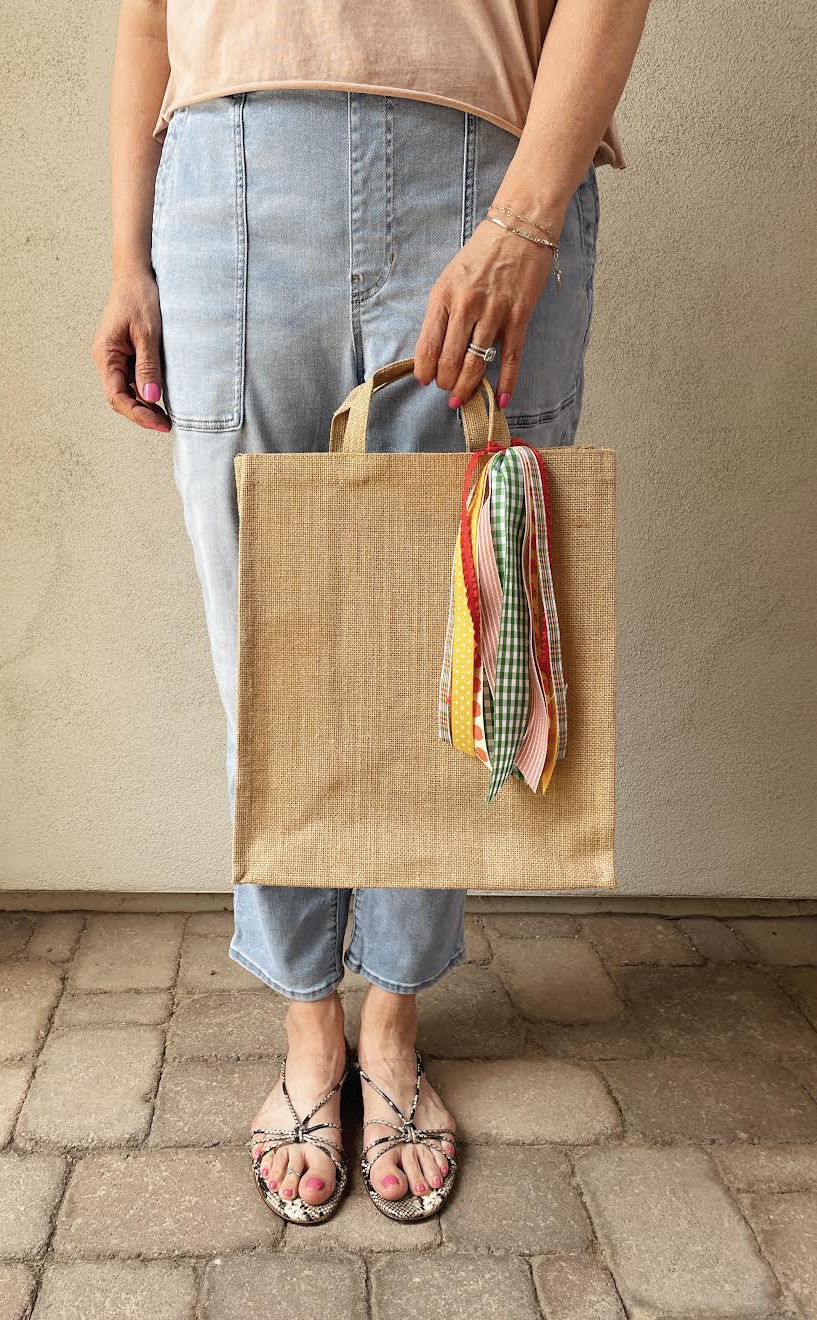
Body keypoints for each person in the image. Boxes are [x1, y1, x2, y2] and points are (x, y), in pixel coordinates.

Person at [92, 0, 652, 1224]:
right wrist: (126, 255)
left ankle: (390, 1023)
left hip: (490, 165)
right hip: (229, 175)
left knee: (461, 643)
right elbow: (147, 17)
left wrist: (526, 216)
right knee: (270, 658)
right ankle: (310, 1032)